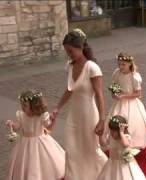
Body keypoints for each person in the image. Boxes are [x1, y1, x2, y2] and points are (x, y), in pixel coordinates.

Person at [50, 28, 107, 180]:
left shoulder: (92, 68)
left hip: (89, 115)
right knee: (72, 148)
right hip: (73, 115)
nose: (69, 54)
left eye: (70, 51)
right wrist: (57, 108)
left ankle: (105, 174)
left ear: (81, 47)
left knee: (91, 149)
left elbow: (99, 95)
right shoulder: (69, 66)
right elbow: (69, 90)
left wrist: (102, 120)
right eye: (67, 51)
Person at [5, 90, 65, 180]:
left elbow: (49, 128)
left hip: (40, 142)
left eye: (25, 106)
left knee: (40, 163)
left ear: (33, 106)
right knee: (26, 163)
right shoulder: (21, 115)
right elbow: (17, 127)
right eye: (21, 105)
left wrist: (53, 120)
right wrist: (12, 124)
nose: (22, 108)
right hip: (25, 144)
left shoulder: (41, 116)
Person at [105, 52, 146, 148]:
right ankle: (117, 141)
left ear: (130, 64)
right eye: (119, 64)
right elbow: (114, 86)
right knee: (116, 119)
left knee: (133, 123)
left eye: (123, 64)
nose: (121, 67)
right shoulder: (117, 73)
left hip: (131, 103)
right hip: (119, 103)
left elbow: (138, 93)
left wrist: (123, 96)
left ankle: (133, 144)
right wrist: (114, 93)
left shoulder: (134, 76)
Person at [97, 115, 146, 180]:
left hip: (123, 163)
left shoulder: (125, 137)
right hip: (112, 162)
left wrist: (121, 133)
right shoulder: (111, 137)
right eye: (111, 131)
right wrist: (100, 136)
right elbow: (103, 144)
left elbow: (125, 144)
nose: (112, 133)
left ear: (121, 130)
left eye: (114, 131)